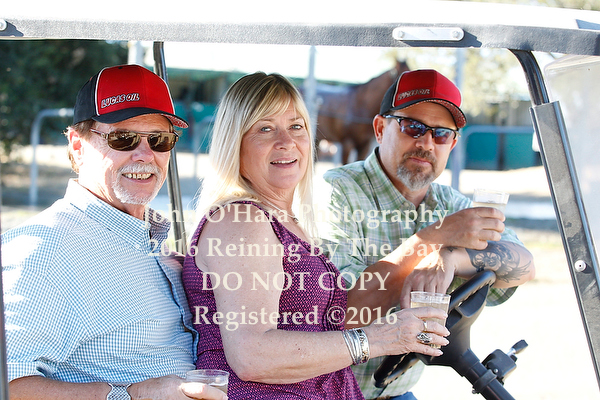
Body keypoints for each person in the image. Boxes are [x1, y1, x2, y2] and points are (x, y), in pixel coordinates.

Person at [182, 72, 451, 400]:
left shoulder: (284, 220)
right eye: (265, 129)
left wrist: (449, 255)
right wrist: (380, 338)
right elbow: (252, 355)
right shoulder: (242, 221)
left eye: (296, 126)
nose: (286, 141)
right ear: (234, 142)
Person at [1, 64, 226, 400]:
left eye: (159, 140)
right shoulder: (42, 251)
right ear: (78, 146)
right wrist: (133, 395)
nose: (145, 155)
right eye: (123, 139)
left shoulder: (155, 246)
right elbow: (7, 385)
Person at [320, 69, 536, 400]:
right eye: (413, 127)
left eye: (441, 134)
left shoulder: (450, 204)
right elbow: (338, 311)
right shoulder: (336, 191)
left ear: (453, 143)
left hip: (395, 391)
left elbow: (524, 264)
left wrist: (450, 257)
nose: (426, 144)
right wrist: (434, 238)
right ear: (380, 129)